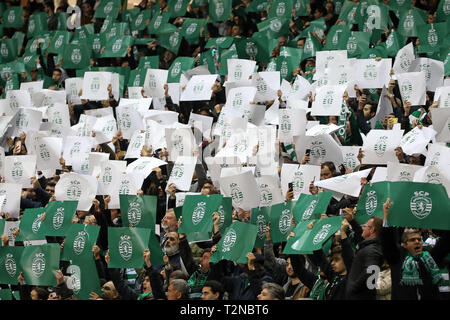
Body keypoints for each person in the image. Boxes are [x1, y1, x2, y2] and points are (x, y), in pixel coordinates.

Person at [381, 199, 450, 300]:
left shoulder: (429, 256)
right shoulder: (397, 257)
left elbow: (444, 244)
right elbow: (388, 242)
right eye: (412, 240)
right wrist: (387, 216)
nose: (417, 242)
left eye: (419, 239)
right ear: (404, 244)